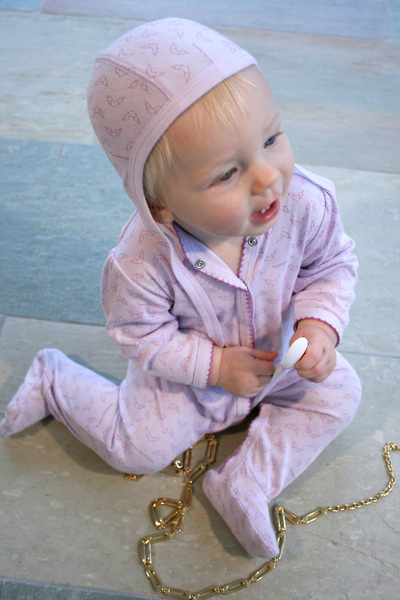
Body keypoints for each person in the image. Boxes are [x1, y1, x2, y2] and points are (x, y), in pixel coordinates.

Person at [0, 18, 361, 559]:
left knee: (340, 392)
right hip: (189, 383)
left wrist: (319, 326)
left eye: (271, 138)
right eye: (227, 174)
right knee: (135, 449)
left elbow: (330, 265)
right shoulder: (140, 262)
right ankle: (55, 380)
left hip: (279, 359)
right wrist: (215, 368)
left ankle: (245, 481)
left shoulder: (306, 204)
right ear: (159, 204)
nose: (268, 177)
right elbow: (140, 335)